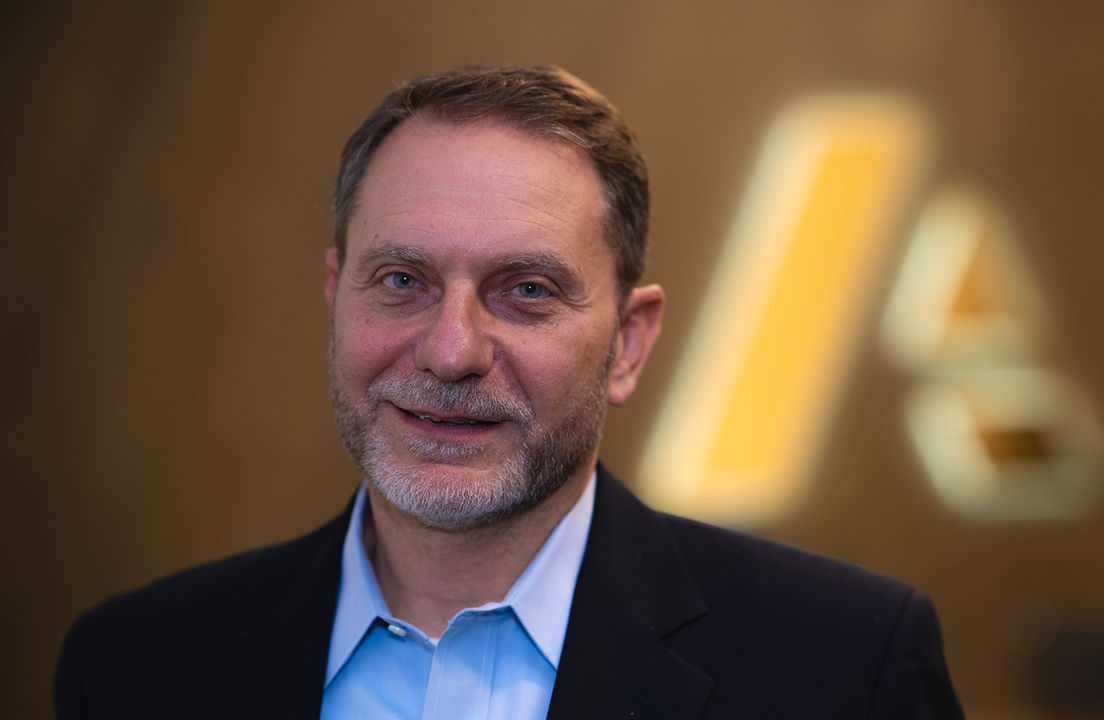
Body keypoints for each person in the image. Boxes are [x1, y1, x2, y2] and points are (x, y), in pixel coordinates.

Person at [54, 64, 964, 719]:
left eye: (526, 290)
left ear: (627, 344)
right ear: (336, 296)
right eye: (403, 280)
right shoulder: (134, 668)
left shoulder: (847, 668)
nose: (451, 352)